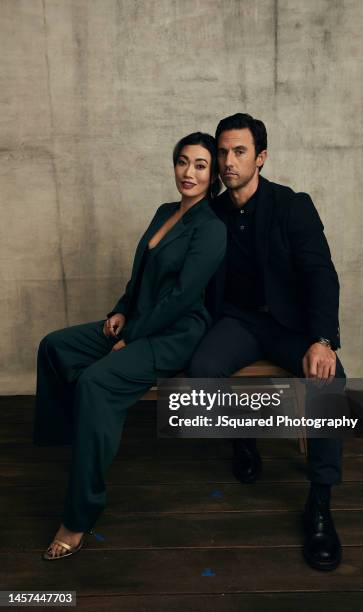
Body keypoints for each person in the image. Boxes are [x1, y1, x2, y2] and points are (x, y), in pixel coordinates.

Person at [34, 132, 226, 560]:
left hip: (175, 333)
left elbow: (180, 297)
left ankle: (79, 516)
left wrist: (131, 337)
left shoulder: (212, 228)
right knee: (55, 347)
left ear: (212, 175)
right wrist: (121, 310)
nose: (188, 172)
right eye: (182, 161)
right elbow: (141, 275)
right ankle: (75, 446)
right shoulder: (164, 211)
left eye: (199, 165)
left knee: (96, 383)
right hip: (137, 320)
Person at [187, 113, 346, 571]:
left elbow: (321, 274)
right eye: (222, 152)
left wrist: (321, 339)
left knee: (328, 387)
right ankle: (244, 436)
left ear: (261, 157)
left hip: (290, 327)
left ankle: (319, 503)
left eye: (239, 151)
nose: (227, 161)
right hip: (236, 322)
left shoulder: (292, 205)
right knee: (200, 373)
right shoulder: (209, 212)